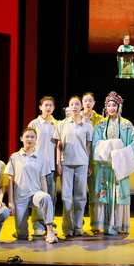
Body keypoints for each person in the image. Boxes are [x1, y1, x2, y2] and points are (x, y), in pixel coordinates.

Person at [92, 92, 134, 234]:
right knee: (105, 192)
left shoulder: (126, 125)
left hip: (120, 165)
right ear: (105, 107)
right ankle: (105, 225)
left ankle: (118, 225)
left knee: (119, 194)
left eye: (114, 105)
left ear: (119, 107)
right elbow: (95, 143)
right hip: (105, 164)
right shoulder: (100, 124)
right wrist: (112, 145)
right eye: (109, 105)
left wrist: (119, 152)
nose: (111, 108)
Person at [6, 128, 58, 243]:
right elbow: (10, 180)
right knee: (22, 236)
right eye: (27, 137)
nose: (29, 139)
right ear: (21, 139)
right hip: (20, 196)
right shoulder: (15, 157)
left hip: (35, 194)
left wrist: (46, 196)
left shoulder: (41, 157)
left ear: (36, 139)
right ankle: (20, 232)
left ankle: (49, 231)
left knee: (46, 197)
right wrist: (11, 201)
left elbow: (43, 178)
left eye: (32, 137)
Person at [53, 96, 93, 238]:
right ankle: (68, 227)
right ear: (68, 107)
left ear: (81, 106)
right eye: (72, 104)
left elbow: (88, 146)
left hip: (82, 163)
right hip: (66, 164)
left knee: (81, 197)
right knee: (66, 197)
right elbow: (58, 146)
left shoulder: (87, 125)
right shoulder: (62, 124)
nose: (74, 107)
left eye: (77, 104)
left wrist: (89, 164)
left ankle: (78, 226)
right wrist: (58, 163)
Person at [27, 96, 58, 235]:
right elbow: (28, 143)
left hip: (51, 165)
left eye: (51, 105)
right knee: (38, 196)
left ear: (54, 108)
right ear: (40, 107)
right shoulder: (34, 123)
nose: (48, 108)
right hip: (37, 166)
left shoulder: (57, 124)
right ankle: (38, 224)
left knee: (51, 197)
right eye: (46, 105)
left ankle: (50, 224)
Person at [81, 92, 103, 233]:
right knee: (78, 194)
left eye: (90, 101)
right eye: (85, 101)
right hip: (79, 159)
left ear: (94, 103)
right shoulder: (76, 117)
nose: (87, 103)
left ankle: (95, 223)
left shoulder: (100, 119)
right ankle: (77, 223)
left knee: (94, 193)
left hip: (94, 160)